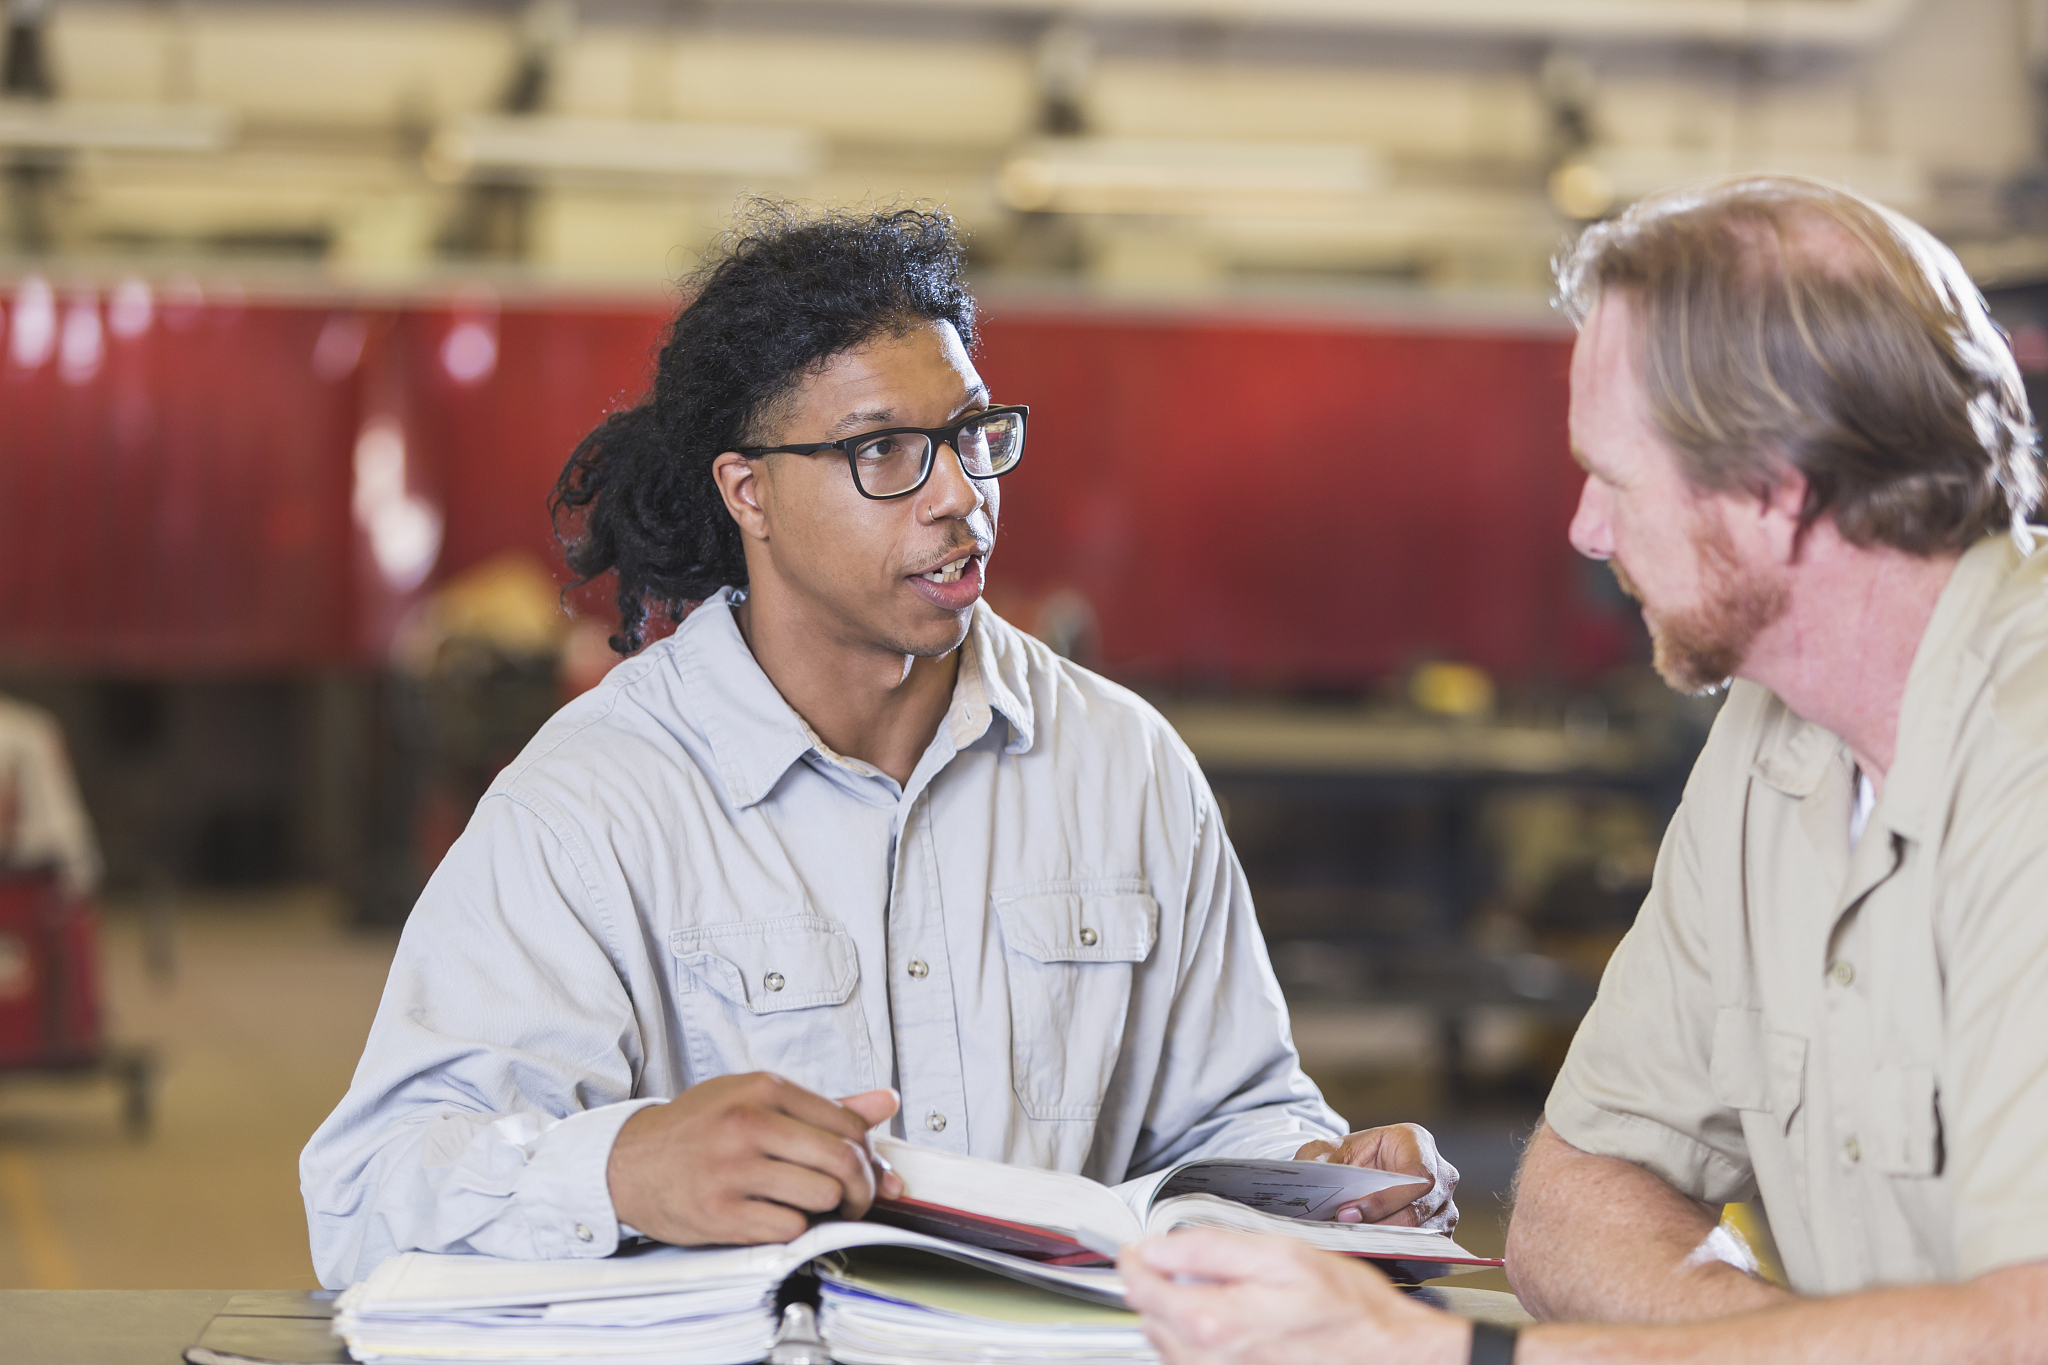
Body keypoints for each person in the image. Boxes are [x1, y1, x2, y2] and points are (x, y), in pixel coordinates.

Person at [300, 204, 1457, 1289]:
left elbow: (1235, 1116)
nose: (958, 494)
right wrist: (622, 1170)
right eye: (884, 452)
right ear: (747, 491)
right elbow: (367, 1195)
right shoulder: (596, 801)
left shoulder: (1123, 767)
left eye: (968, 435)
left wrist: (1319, 1177)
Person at [1118, 174, 2048, 1363]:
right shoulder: (1774, 739)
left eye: (1614, 476)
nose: (1585, 531)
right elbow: (1567, 1203)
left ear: (1774, 488)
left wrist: (1457, 1356)